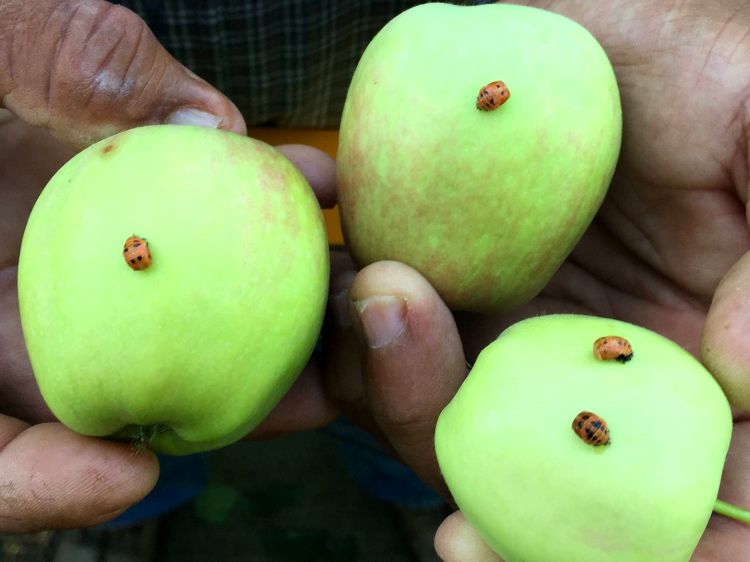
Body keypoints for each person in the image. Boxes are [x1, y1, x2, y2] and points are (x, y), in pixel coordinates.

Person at [2, 0, 750, 560]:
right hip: (76, 122)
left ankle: (407, 484)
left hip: (345, 100)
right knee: (132, 453)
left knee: (385, 358)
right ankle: (125, 517)